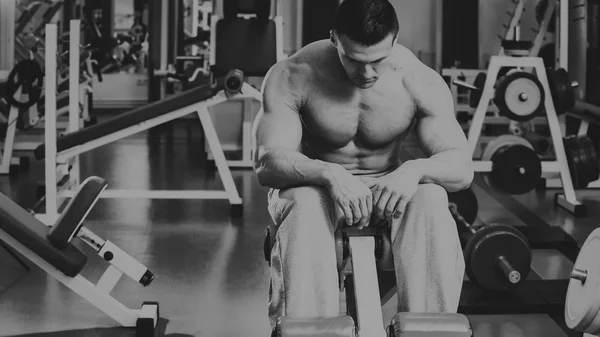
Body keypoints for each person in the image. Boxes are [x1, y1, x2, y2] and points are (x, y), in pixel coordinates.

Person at [252, 0, 473, 329]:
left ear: (395, 42)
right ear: (334, 39)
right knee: (306, 201)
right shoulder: (294, 74)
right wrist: (329, 174)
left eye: (378, 61)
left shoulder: (417, 80)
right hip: (317, 190)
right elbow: (267, 164)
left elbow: (461, 168)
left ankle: (429, 331)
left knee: (430, 198)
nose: (366, 73)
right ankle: (310, 332)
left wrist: (413, 170)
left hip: (383, 194)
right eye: (354, 60)